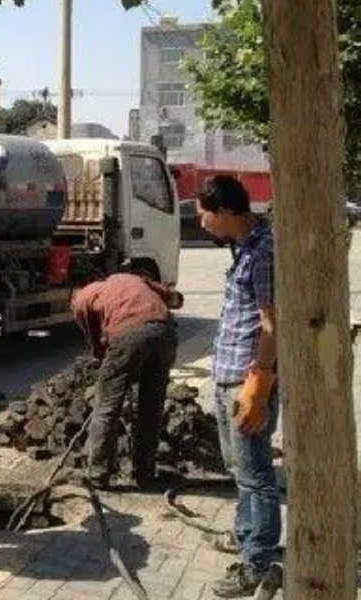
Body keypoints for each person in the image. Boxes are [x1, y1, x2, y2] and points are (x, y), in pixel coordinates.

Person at [196, 175, 279, 598]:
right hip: (227, 376)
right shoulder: (245, 246)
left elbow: (271, 322)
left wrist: (259, 386)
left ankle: (257, 564)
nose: (201, 220)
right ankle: (246, 535)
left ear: (226, 212)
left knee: (256, 476)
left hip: (245, 381)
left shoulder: (263, 251)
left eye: (204, 211)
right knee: (238, 469)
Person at [70, 270, 180, 490]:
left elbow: (93, 337)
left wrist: (103, 358)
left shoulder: (82, 298)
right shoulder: (129, 278)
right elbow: (172, 297)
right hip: (165, 333)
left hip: (128, 335)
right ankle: (145, 474)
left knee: (107, 407)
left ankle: (97, 474)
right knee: (151, 408)